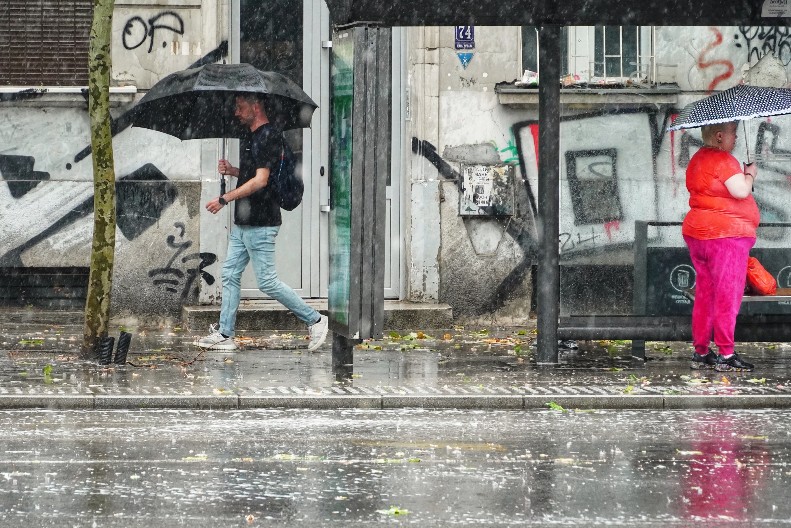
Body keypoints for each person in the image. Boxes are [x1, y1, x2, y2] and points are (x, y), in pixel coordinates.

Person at [197, 94, 328, 351]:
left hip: (262, 221)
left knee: (267, 281)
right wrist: (233, 170)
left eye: (240, 107)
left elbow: (261, 181)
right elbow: (254, 174)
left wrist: (224, 199)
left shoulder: (268, 136)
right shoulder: (252, 136)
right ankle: (226, 334)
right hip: (244, 223)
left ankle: (316, 320)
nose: (236, 112)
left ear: (255, 107)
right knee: (231, 274)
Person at [683, 120, 758, 372]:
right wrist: (750, 174)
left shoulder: (697, 159)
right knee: (728, 294)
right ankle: (726, 354)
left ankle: (701, 351)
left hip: (698, 235)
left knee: (706, 293)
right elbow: (740, 191)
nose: (735, 138)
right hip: (726, 237)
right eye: (733, 134)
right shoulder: (723, 160)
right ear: (718, 136)